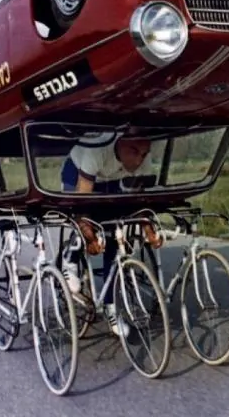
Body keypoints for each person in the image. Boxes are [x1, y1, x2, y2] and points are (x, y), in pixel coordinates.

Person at [59, 129, 162, 338]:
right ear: (120, 142)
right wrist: (89, 236)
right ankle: (70, 257)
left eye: (144, 153)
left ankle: (111, 309)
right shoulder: (97, 149)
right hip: (76, 171)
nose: (139, 160)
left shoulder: (143, 159)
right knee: (86, 221)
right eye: (134, 151)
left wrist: (148, 229)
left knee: (113, 235)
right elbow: (82, 205)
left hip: (110, 178)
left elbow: (140, 199)